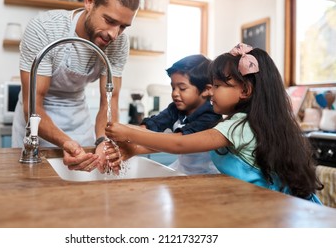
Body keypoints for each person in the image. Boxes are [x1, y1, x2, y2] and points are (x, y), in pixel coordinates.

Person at [105, 43, 323, 204]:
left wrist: (127, 132)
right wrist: (133, 147)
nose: (211, 92)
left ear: (245, 91)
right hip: (271, 205)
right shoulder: (249, 123)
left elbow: (180, 144)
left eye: (218, 86)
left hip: (278, 208)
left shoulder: (236, 127)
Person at [11, 0, 140, 172]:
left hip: (78, 119)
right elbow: (33, 106)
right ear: (89, 2)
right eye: (109, 21)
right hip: (36, 122)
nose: (114, 34)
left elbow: (109, 102)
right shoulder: (45, 28)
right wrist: (65, 142)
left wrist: (103, 142)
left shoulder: (118, 44)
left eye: (123, 27)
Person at [126, 54, 221, 175]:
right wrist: (126, 135)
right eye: (173, 87)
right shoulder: (175, 109)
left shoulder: (211, 116)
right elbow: (153, 124)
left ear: (207, 90)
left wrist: (129, 135)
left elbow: (179, 142)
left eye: (182, 88)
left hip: (207, 175)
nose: (175, 93)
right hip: (182, 169)